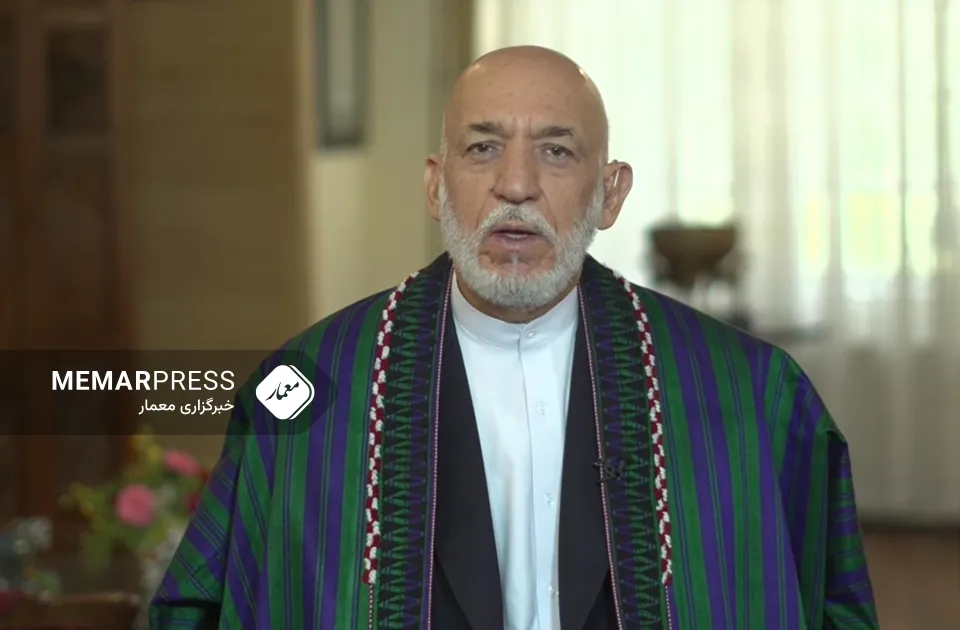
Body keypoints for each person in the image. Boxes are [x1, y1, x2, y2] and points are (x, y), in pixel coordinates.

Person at [150, 46, 879, 630]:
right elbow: (200, 605)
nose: (517, 184)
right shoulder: (306, 388)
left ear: (611, 193)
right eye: (482, 148)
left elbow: (833, 606)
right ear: (436, 185)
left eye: (556, 152)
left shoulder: (753, 393)